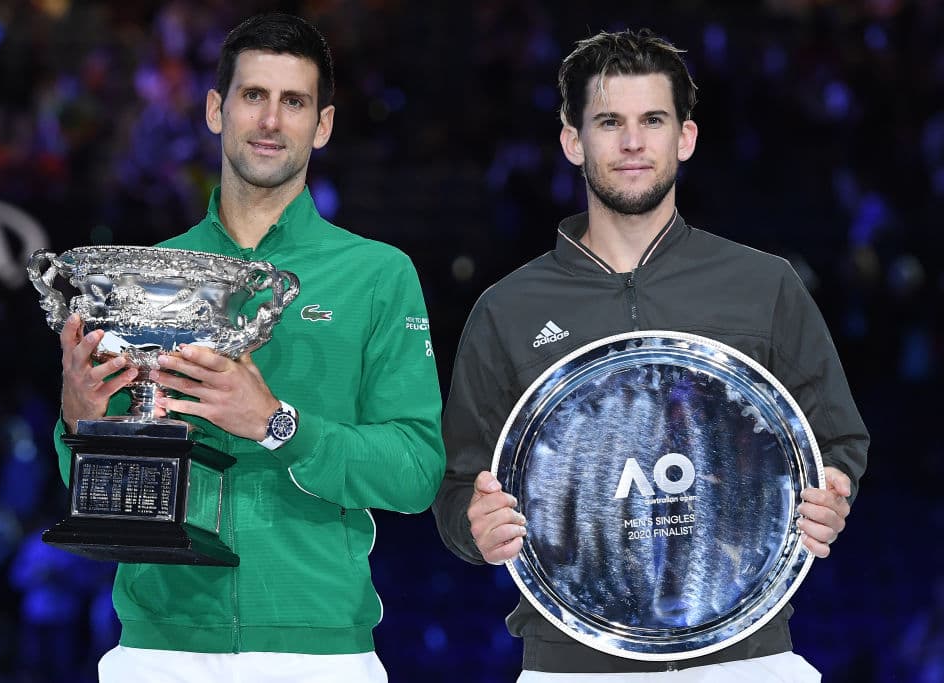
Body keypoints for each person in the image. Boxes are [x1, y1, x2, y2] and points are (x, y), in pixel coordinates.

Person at [432, 28, 868, 681]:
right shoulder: (507, 309)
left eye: (653, 120)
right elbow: (455, 486)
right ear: (573, 141)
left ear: (685, 137)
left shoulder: (763, 284)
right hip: (572, 665)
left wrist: (833, 490)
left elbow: (837, 441)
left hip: (746, 657)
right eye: (610, 122)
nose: (633, 142)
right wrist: (476, 526)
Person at [53, 13, 445, 683]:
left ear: (322, 124)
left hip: (319, 653)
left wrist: (276, 423)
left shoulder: (377, 274)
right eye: (253, 95)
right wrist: (77, 419)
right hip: (159, 647)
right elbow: (88, 479)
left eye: (294, 101)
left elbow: (415, 472)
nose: (270, 120)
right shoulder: (145, 276)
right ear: (216, 109)